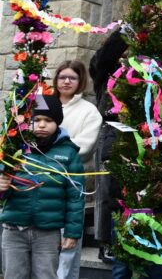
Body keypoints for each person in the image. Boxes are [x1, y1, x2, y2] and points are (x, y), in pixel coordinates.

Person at [0, 95, 85, 279]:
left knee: (46, 275)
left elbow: (76, 197)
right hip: (14, 230)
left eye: (48, 120)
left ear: (58, 122)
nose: (41, 125)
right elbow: (3, 192)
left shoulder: (69, 154)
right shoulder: (14, 149)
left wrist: (72, 232)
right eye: (36, 120)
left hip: (48, 233)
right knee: (13, 275)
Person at [52, 60, 102, 279]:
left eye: (72, 78)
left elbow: (85, 145)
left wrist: (53, 151)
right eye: (62, 77)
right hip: (40, 182)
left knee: (67, 247)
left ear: (80, 81)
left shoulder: (89, 111)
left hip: (69, 183)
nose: (66, 81)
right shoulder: (44, 103)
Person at [90, 29, 128, 264]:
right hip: (112, 129)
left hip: (138, 132)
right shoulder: (105, 70)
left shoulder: (143, 68)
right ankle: (106, 241)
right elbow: (102, 58)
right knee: (107, 188)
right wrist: (123, 33)